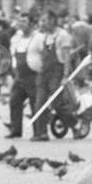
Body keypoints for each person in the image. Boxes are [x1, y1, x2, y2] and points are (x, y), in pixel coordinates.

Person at [31, 10, 73, 142]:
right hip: (44, 73)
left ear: (52, 21)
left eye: (44, 21)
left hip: (57, 72)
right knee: (39, 103)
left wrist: (66, 76)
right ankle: (42, 133)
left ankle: (74, 123)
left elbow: (67, 57)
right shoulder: (44, 36)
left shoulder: (63, 35)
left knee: (56, 103)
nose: (42, 23)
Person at [6, 13, 37, 138]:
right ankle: (16, 129)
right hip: (19, 75)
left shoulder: (37, 37)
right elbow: (13, 54)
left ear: (31, 23)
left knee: (35, 104)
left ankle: (39, 131)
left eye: (24, 21)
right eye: (20, 21)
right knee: (14, 101)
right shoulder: (16, 38)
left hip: (33, 75)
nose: (21, 23)